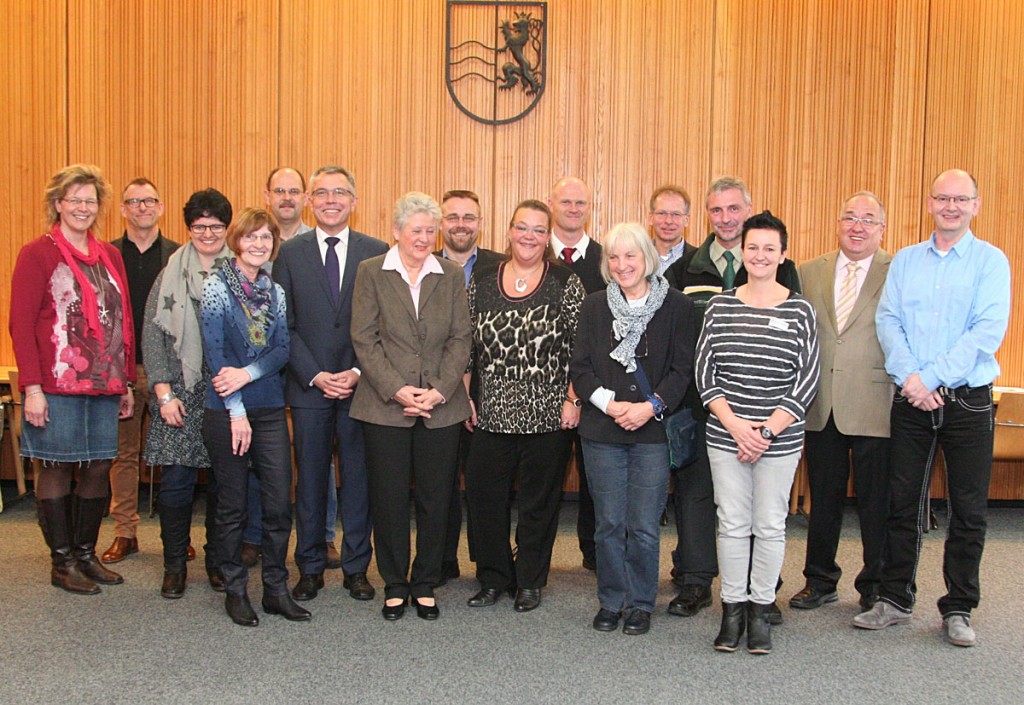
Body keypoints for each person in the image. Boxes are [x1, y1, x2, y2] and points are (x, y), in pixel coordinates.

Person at [854, 169, 1011, 648]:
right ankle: (895, 599)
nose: (951, 206)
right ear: (929, 203)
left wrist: (932, 378)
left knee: (968, 511)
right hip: (912, 398)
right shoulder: (905, 261)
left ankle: (959, 607)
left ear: (976, 205)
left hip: (968, 400)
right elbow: (888, 321)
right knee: (901, 504)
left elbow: (986, 332)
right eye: (942, 197)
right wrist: (913, 381)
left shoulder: (991, 262)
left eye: (960, 199)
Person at [664, 177, 800, 623]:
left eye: (733, 209)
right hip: (700, 404)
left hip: (766, 413)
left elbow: (799, 346)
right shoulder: (683, 269)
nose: (725, 218)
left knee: (763, 507)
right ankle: (697, 580)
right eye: (716, 211)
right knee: (699, 497)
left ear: (748, 210)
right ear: (708, 215)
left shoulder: (776, 264)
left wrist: (764, 423)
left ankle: (762, 594)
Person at [695, 211, 819, 655]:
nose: (761, 255)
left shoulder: (800, 308)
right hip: (726, 435)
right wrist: (736, 427)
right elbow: (705, 374)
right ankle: (731, 610)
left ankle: (760, 611)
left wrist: (764, 431)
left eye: (770, 248)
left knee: (768, 525)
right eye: (753, 247)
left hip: (779, 439)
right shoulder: (720, 305)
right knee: (731, 524)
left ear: (783, 254)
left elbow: (806, 380)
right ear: (741, 252)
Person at [10, 164, 134, 594]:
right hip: (55, 386)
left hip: (105, 382)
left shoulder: (110, 255)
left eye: (90, 200)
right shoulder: (37, 253)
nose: (82, 207)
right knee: (58, 467)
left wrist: (126, 382)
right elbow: (20, 325)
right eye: (74, 199)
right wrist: (32, 388)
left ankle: (86, 553)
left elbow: (124, 319)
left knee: (100, 464)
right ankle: (61, 562)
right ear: (58, 204)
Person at [350, 192, 473, 620]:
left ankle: (425, 582)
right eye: (415, 230)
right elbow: (364, 339)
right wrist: (399, 390)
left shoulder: (452, 274)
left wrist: (439, 390)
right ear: (396, 232)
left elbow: (462, 338)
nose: (423, 238)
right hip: (385, 406)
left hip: (441, 406)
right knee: (388, 499)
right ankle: (395, 584)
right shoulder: (371, 272)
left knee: (437, 499)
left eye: (429, 230)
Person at [570, 223, 694, 635]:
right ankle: (611, 600)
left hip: (652, 433)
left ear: (647, 259)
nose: (622, 265)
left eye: (631, 256)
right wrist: (611, 403)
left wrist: (649, 406)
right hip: (602, 432)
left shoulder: (675, 306)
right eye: (614, 257)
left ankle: (640, 603)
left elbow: (682, 370)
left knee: (642, 525)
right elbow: (581, 369)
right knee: (608, 524)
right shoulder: (593, 306)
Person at [273, 165, 388, 602]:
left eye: (340, 192)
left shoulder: (377, 252)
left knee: (360, 481)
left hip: (363, 388)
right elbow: (285, 324)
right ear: (310, 202)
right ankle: (310, 566)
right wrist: (317, 375)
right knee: (311, 481)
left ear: (354, 201)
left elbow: (384, 324)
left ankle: (358, 568)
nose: (331, 200)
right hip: (309, 388)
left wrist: (357, 372)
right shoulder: (291, 253)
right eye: (321, 193)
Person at [464, 199, 585, 612]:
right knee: (485, 500)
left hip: (548, 414)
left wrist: (572, 398)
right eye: (522, 227)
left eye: (538, 229)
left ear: (547, 236)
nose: (529, 236)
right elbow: (466, 346)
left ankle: (530, 579)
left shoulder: (565, 282)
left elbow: (580, 348)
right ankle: (494, 577)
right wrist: (465, 394)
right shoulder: (481, 280)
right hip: (491, 412)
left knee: (539, 504)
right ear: (509, 231)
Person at [200, 207, 309, 627]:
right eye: (252, 237)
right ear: (237, 241)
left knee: (279, 503)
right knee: (231, 508)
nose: (259, 244)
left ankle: (276, 590)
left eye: (267, 238)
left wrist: (249, 372)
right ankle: (235, 590)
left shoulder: (275, 292)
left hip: (268, 408)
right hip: (226, 412)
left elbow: (281, 351)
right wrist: (236, 411)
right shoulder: (216, 287)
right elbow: (216, 354)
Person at [790, 192, 892, 612]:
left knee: (876, 502)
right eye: (850, 217)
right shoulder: (809, 271)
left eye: (868, 220)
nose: (857, 226)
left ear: (882, 229)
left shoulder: (898, 270)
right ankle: (820, 579)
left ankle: (875, 586)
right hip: (821, 402)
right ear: (838, 223)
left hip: (876, 401)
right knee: (823, 498)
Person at [242, 167, 342, 570]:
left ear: (306, 198)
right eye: (279, 191)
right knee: (260, 457)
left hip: (309, 373)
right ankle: (255, 535)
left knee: (318, 458)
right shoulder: (253, 237)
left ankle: (323, 536)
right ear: (267, 196)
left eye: (294, 191)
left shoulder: (313, 242)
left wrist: (317, 373)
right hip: (261, 372)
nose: (286, 197)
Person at [143, 188, 232, 598]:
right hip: (179, 393)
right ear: (189, 228)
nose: (208, 233)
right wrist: (163, 394)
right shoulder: (170, 272)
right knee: (177, 485)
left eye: (216, 226)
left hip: (225, 392)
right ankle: (175, 565)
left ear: (227, 228)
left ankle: (217, 562)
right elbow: (153, 337)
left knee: (223, 484)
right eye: (200, 226)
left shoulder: (242, 271)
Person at [103, 178, 180, 563]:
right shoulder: (107, 255)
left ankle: (176, 533)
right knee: (125, 453)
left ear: (160, 207)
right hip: (124, 368)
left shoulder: (178, 256)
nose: (142, 208)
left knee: (172, 454)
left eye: (149, 200)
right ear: (122, 209)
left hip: (169, 367)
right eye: (133, 201)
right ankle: (125, 532)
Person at [435, 189, 504, 585]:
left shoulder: (500, 267)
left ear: (480, 223)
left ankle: (486, 563)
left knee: (483, 484)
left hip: (488, 391)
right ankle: (442, 561)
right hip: (438, 391)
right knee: (440, 483)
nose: (461, 224)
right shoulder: (423, 264)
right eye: (453, 217)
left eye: (469, 217)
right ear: (442, 223)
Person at [548, 176, 603, 571]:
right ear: (553, 205)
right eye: (565, 202)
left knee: (595, 479)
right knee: (543, 480)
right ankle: (536, 556)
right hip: (541, 390)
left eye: (580, 203)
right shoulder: (526, 255)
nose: (572, 209)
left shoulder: (606, 260)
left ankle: (594, 552)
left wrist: (585, 391)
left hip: (595, 389)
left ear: (589, 208)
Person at [648, 185, 696, 275]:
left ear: (686, 220)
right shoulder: (636, 258)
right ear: (650, 218)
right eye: (661, 213)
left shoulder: (699, 260)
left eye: (676, 214)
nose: (668, 221)